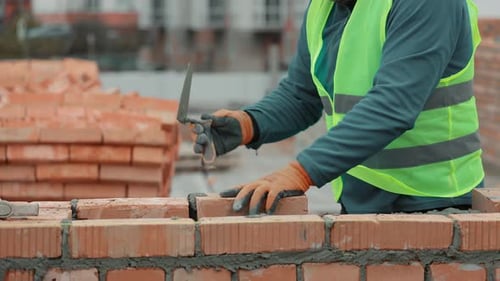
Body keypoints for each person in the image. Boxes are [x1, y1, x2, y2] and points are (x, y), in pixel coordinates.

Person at [193, 0, 485, 215]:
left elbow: (393, 106)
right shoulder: (324, 8)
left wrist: (302, 172)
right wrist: (247, 124)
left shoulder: (427, 5)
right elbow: (300, 96)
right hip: (362, 201)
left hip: (437, 204)